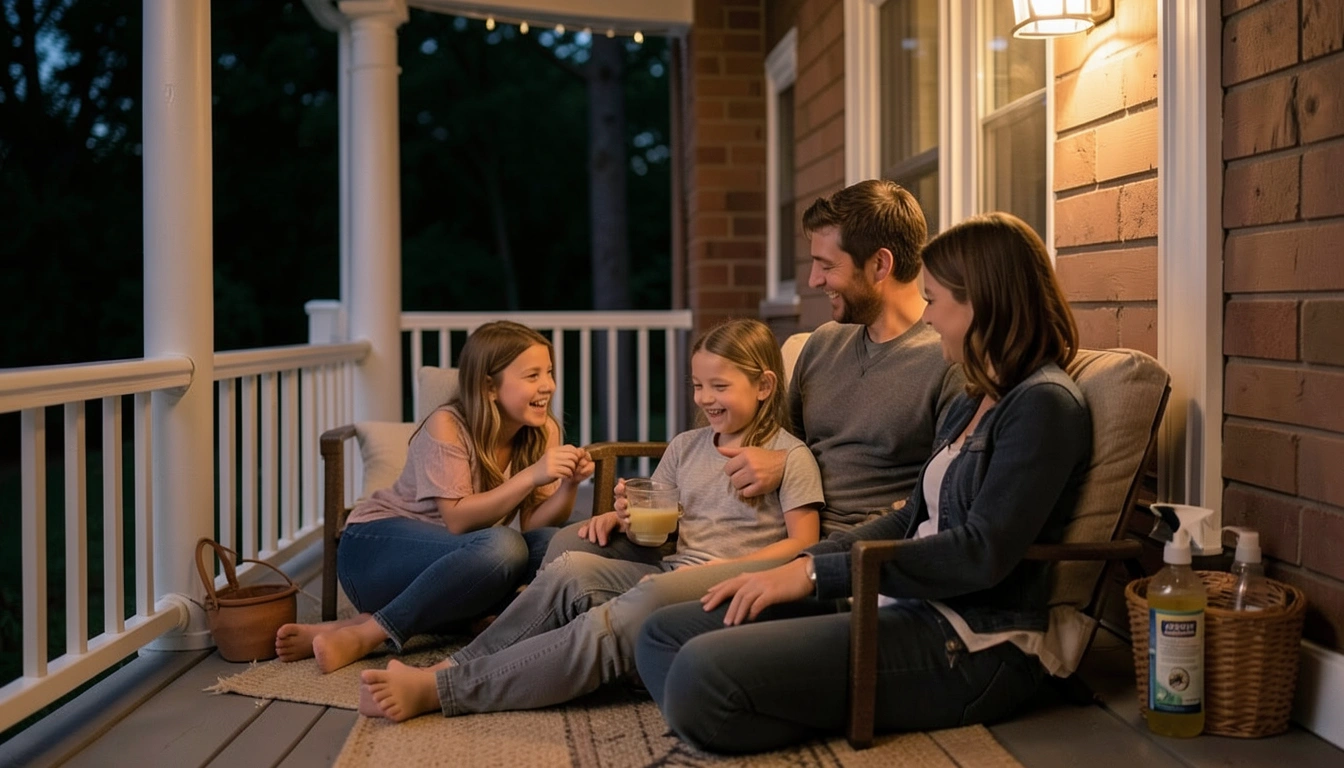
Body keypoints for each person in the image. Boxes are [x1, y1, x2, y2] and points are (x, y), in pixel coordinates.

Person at [634, 212, 1093, 754]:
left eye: (936, 300)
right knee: (664, 634)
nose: (930, 316)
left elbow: (981, 553)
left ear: (981, 304)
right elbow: (910, 516)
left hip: (968, 638)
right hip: (889, 595)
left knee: (700, 674)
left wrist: (814, 576)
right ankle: (768, 703)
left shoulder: (1043, 405)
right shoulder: (979, 394)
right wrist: (802, 566)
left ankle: (758, 704)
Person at [357, 318, 825, 721]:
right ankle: (449, 668)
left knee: (612, 617)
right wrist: (621, 519)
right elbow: (666, 528)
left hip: (727, 583)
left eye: (720, 387)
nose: (705, 398)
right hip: (671, 570)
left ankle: (450, 692)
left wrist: (723, 572)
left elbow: (803, 545)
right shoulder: (685, 446)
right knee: (569, 568)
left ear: (763, 386)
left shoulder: (790, 456)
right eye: (698, 385)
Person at [540, 178, 962, 572]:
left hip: (831, 552)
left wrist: (788, 475)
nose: (814, 280)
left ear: (880, 265)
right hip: (754, 530)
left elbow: (942, 493)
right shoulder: (823, 345)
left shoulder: (945, 361)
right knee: (570, 546)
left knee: (625, 598)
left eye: (826, 266)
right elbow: (769, 440)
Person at [275, 320, 594, 673]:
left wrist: (568, 485)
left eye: (549, 372)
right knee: (504, 547)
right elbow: (458, 520)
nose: (548, 385)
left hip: (453, 570)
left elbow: (535, 521)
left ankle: (362, 625)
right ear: (489, 386)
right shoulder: (448, 423)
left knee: (561, 543)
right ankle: (369, 634)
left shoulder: (540, 430)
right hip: (374, 552)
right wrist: (531, 475)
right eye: (532, 375)